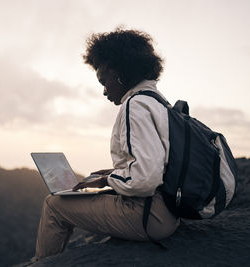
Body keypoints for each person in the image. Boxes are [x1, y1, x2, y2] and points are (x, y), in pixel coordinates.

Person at [33, 28, 180, 261]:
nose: (104, 90)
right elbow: (159, 162)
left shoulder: (135, 105)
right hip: (169, 212)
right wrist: (116, 172)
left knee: (54, 205)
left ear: (121, 73)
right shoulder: (157, 100)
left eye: (104, 80)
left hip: (148, 216)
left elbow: (145, 179)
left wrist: (105, 180)